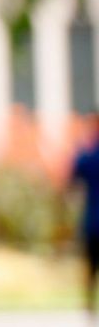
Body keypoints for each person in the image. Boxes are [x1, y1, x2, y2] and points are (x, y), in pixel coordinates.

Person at [73, 114, 99, 320]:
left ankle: (89, 308)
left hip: (93, 221)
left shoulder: (87, 154)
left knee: (91, 269)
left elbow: (71, 181)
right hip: (93, 221)